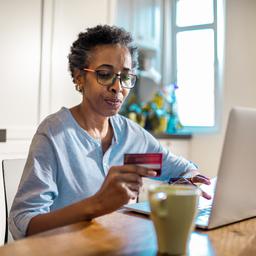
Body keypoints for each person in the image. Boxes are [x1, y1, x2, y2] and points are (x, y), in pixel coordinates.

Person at [9, 25, 211, 240]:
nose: (118, 87)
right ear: (79, 77)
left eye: (125, 77)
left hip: (119, 245)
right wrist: (97, 204)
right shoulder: (54, 134)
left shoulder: (131, 136)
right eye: (104, 75)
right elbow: (24, 223)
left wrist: (190, 180)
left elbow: (180, 170)